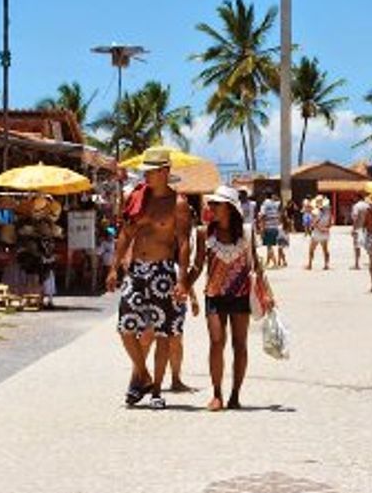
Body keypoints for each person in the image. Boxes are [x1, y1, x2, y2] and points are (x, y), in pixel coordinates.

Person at [106, 148, 192, 409]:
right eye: (146, 171)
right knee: (125, 327)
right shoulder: (137, 198)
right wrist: (113, 267)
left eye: (151, 171)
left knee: (164, 332)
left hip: (163, 270)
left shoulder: (178, 204)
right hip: (137, 269)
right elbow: (125, 234)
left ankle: (156, 391)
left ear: (165, 171)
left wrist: (182, 279)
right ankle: (143, 375)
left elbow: (184, 242)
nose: (146, 175)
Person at [198, 185, 267, 411]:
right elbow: (198, 266)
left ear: (229, 208)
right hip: (214, 295)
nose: (211, 208)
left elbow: (256, 264)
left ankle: (235, 394)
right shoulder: (204, 233)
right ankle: (217, 393)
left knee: (240, 345)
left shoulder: (247, 232)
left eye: (216, 204)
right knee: (217, 342)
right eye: (211, 204)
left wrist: (267, 293)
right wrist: (185, 287)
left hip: (241, 294)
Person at [168, 195, 205, 394]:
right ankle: (146, 376)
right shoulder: (171, 236)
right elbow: (179, 268)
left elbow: (186, 270)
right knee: (162, 336)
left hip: (178, 289)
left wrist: (193, 297)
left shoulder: (193, 235)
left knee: (176, 336)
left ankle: (175, 378)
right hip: (168, 285)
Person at [307, 195, 333, 269]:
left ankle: (310, 264)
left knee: (311, 249)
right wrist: (327, 228)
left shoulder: (314, 212)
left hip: (317, 232)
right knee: (325, 249)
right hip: (325, 232)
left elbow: (313, 223)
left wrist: (321, 228)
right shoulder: (328, 212)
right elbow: (331, 222)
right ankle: (326, 265)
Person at [259, 191, 283, 269]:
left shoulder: (264, 204)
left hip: (268, 227)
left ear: (265, 196)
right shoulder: (275, 204)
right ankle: (267, 262)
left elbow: (262, 216)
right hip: (275, 227)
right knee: (269, 245)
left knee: (269, 246)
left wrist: (261, 228)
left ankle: (275, 263)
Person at [350, 195, 370, 270]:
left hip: (358, 228)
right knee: (369, 247)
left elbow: (355, 217)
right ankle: (371, 262)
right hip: (367, 228)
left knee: (357, 247)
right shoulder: (368, 206)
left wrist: (353, 228)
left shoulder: (356, 206)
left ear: (357, 198)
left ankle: (357, 264)